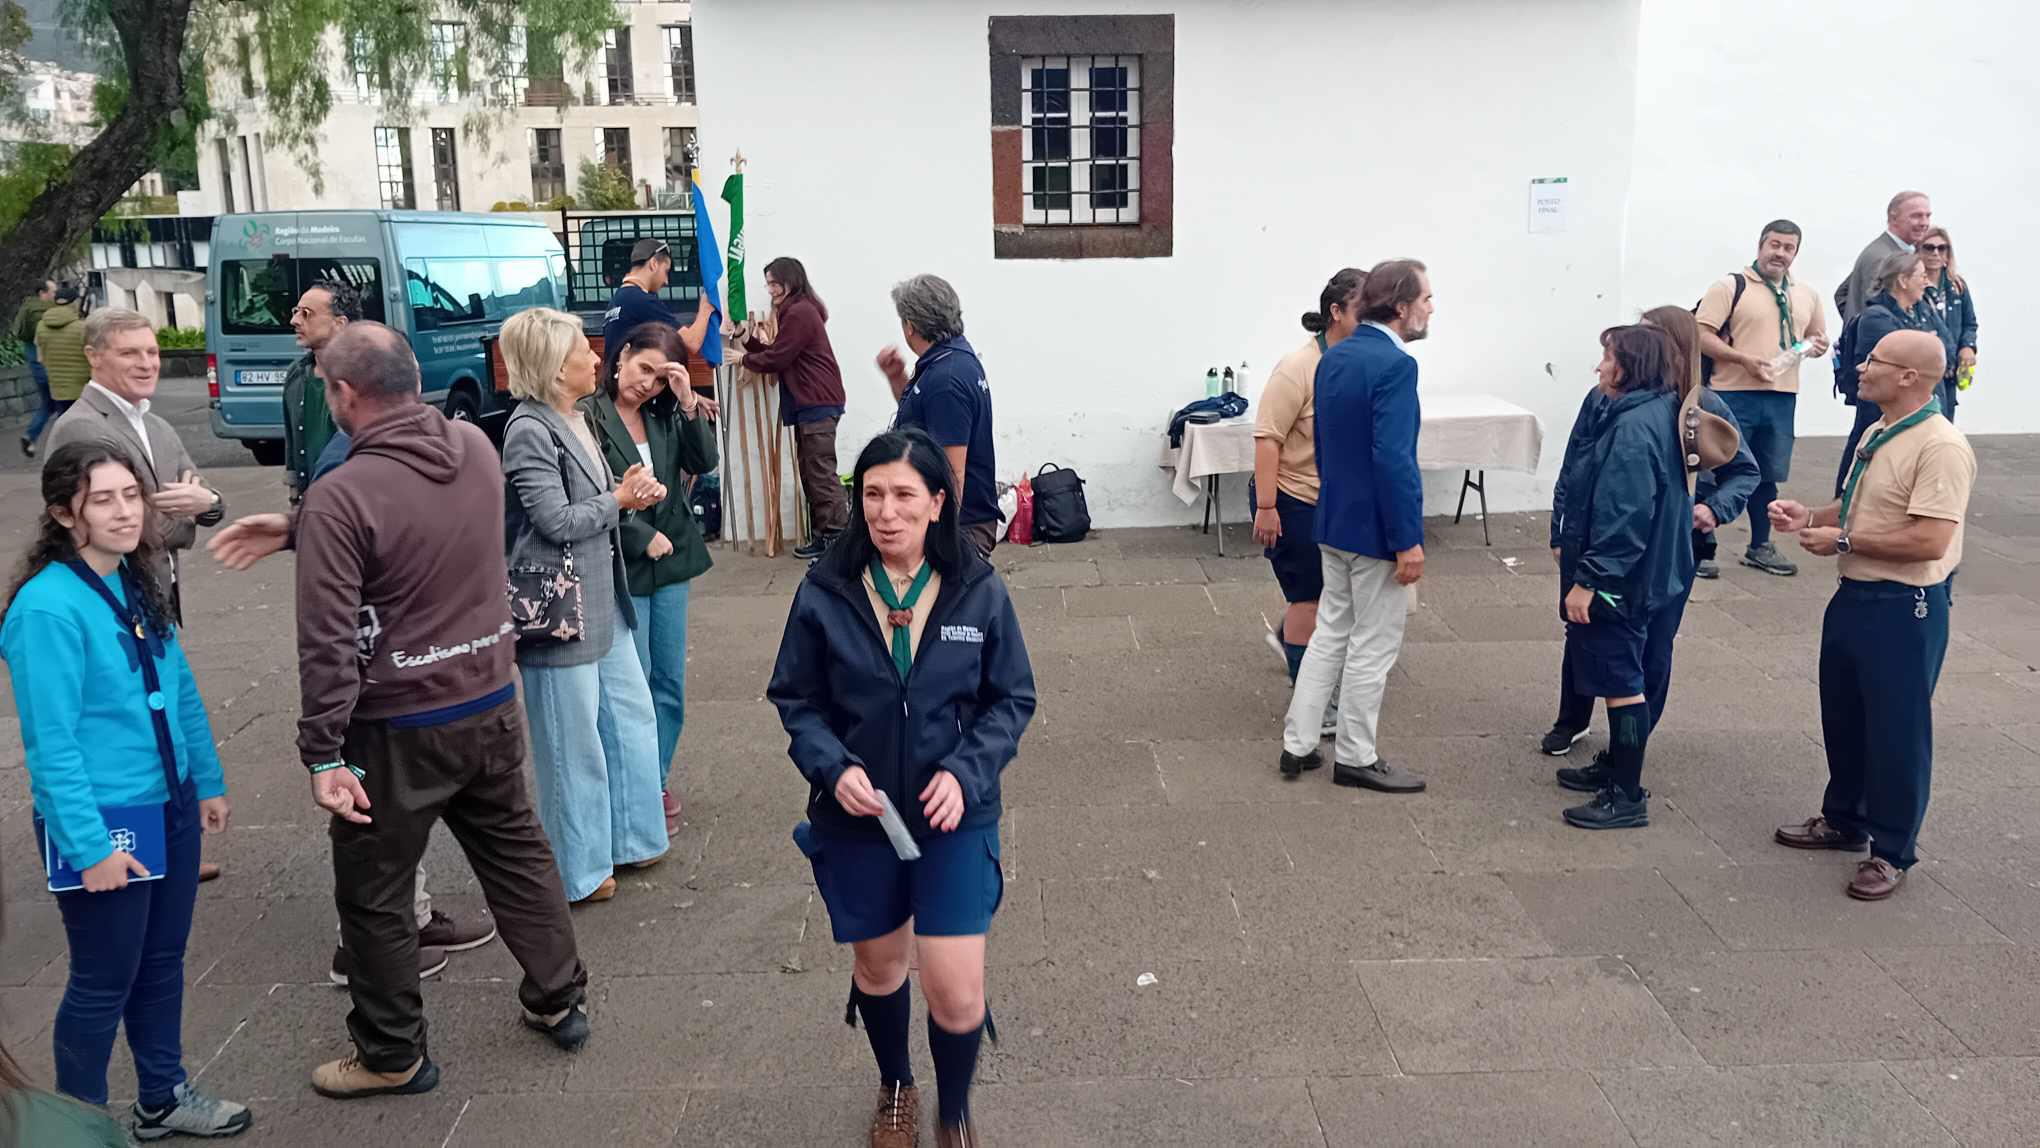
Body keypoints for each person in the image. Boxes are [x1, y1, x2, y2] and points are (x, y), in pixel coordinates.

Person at [207, 322, 596, 1098]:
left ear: (343, 393)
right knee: (516, 854)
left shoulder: (342, 494)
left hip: (396, 725)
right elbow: (425, 528)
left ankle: (391, 1053)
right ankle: (560, 998)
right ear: (413, 379)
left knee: (375, 891)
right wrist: (301, 530)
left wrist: (323, 752)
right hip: (488, 699)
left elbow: (326, 640)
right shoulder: (474, 449)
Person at [769, 428, 1036, 1148]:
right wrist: (833, 767)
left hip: (954, 816)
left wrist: (965, 771)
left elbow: (1012, 698)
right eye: (873, 495)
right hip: (860, 820)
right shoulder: (826, 588)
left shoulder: (977, 588)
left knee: (957, 991)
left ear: (937, 503)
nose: (886, 513)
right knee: (880, 966)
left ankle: (954, 1112)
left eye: (904, 496)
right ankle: (895, 1086)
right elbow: (796, 698)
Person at [0, 441, 253, 1138]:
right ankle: (77, 1126)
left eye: (132, 495)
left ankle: (161, 1097)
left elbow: (181, 688)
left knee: (161, 961)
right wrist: (89, 848)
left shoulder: (135, 577)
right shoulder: (46, 609)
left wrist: (206, 781)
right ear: (63, 514)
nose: (124, 512)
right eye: (103, 500)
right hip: (104, 819)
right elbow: (52, 746)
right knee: (102, 980)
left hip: (168, 802)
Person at [1769, 329, 1973, 901]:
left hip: (1904, 607)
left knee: (1896, 732)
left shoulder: (1941, 446)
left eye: (1874, 360)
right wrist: (1812, 515)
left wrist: (1843, 541)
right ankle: (1845, 819)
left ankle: (1892, 851)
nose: (1860, 366)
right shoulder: (1881, 429)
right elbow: (1860, 506)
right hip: (1856, 596)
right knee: (1845, 715)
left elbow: (1931, 539)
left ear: (1909, 376)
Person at [1544, 307, 1759, 787]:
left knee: (1646, 654)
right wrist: (1562, 532)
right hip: (1608, 549)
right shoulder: (1608, 402)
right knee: (1588, 637)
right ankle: (1576, 723)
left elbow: (1742, 471)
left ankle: (1624, 768)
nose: (1604, 363)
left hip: (1654, 553)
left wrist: (1713, 509)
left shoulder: (1692, 408)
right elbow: (1575, 466)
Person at [500, 306, 671, 905]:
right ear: (554, 367)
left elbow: (594, 503)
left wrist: (628, 494)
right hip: (558, 609)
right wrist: (619, 500)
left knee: (630, 722)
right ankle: (579, 869)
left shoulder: (573, 417)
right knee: (571, 746)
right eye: (583, 350)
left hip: (602, 597)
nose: (596, 357)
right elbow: (554, 521)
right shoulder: (529, 429)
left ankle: (632, 838)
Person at [1275, 259, 1430, 792]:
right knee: (1372, 645)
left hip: (1334, 520)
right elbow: (1394, 459)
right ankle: (1356, 756)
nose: (1431, 308)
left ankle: (1297, 744)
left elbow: (1327, 447)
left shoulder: (1334, 357)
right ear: (1401, 307)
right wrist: (1407, 539)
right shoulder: (1396, 365)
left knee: (1330, 635)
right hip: (1375, 530)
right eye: (1426, 299)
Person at [1546, 325, 1690, 830]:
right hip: (1641, 573)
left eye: (1607, 358)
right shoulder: (1656, 410)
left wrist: (1589, 581)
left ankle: (1626, 795)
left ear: (1630, 367)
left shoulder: (1632, 429)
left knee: (1621, 681)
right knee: (1620, 675)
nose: (1599, 367)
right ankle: (1615, 771)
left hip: (1621, 581)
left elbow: (1624, 516)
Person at [586, 322, 719, 838]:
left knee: (668, 681)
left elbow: (704, 462)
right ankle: (632, 785)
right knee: (632, 685)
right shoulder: (589, 416)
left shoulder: (664, 413)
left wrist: (687, 400)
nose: (648, 384)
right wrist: (640, 535)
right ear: (621, 357)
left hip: (674, 560)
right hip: (625, 561)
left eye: (660, 378)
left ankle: (654, 779)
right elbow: (587, 496)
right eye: (644, 369)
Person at [45, 308, 224, 628]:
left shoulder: (156, 425)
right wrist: (189, 514)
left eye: (152, 352)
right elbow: (134, 526)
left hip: (159, 595)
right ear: (93, 356)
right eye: (129, 353)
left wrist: (211, 502)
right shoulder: (81, 427)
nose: (146, 363)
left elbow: (204, 496)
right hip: (112, 599)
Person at [1253, 268, 1367, 739]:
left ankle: (1290, 638)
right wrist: (1267, 507)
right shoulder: (1297, 368)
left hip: (1336, 499)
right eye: (1363, 309)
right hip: (1292, 500)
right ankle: (1311, 704)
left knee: (1335, 596)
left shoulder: (1360, 362)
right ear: (1335, 312)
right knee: (1309, 600)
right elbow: (1267, 439)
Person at [1690, 220, 1830, 578]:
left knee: (1767, 475)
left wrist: (1817, 346)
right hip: (1730, 394)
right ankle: (1701, 546)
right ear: (1761, 245)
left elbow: (1818, 336)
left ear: (1796, 253)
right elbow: (1700, 334)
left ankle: (1760, 545)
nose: (1780, 253)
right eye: (1775, 245)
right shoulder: (1730, 286)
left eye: (1788, 248)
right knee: (1713, 469)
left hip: (1781, 397)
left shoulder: (1807, 294)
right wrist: (1741, 360)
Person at [878, 274, 1002, 559]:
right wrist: (897, 378)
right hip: (957, 519)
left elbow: (952, 471)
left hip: (961, 526)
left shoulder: (946, 380)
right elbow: (925, 417)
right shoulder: (953, 357)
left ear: (910, 326)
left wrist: (941, 539)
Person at [739, 257, 849, 559]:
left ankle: (837, 540)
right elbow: (778, 351)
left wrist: (744, 359)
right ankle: (825, 536)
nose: (771, 290)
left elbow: (778, 358)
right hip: (812, 403)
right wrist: (745, 339)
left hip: (817, 401)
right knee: (811, 473)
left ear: (791, 281)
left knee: (820, 475)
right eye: (768, 284)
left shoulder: (800, 312)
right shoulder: (797, 310)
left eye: (775, 283)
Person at [1834, 252, 1953, 497]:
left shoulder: (1922, 310)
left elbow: (1946, 350)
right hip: (1883, 414)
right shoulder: (1875, 318)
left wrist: (1927, 346)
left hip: (1919, 408)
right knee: (1864, 478)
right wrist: (1927, 343)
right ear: (1903, 280)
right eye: (1921, 275)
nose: (1926, 281)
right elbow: (1905, 359)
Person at [282, 280, 362, 502]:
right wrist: (296, 502)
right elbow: (293, 449)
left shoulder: (365, 375)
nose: (294, 321)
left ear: (340, 323)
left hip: (353, 504)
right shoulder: (297, 374)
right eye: (296, 311)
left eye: (307, 314)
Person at [599, 237, 713, 386]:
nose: (666, 281)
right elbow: (692, 343)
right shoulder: (641, 301)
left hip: (616, 387)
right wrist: (706, 308)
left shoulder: (618, 299)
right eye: (666, 271)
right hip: (634, 389)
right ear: (653, 264)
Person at [1836, 190, 1932, 321]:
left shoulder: (1891, 252)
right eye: (1916, 216)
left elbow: (1842, 294)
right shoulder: (1882, 258)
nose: (1924, 223)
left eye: (1928, 216)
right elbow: (1879, 312)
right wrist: (1857, 328)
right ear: (1893, 218)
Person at [1920, 226, 1978, 406]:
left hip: (1951, 370)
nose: (1935, 253)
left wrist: (1968, 347)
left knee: (1946, 418)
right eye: (1929, 248)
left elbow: (1970, 323)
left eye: (1941, 248)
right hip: (1925, 371)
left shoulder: (1957, 286)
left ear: (1948, 254)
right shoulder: (1914, 286)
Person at [31, 283, 88, 452]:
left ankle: (66, 456)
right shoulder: (82, 328)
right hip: (81, 388)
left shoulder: (41, 326)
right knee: (86, 432)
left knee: (66, 428)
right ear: (74, 303)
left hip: (57, 387)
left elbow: (40, 358)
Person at [14, 278, 56, 457]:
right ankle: (63, 443)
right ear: (42, 293)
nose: (55, 295)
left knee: (49, 405)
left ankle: (30, 436)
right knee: (63, 405)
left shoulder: (27, 307)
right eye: (53, 292)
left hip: (36, 364)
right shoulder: (41, 312)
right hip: (45, 366)